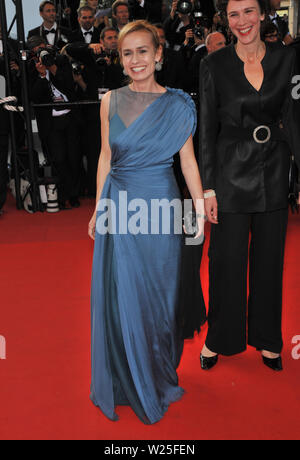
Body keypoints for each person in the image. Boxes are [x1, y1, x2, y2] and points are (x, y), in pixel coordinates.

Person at [88, 20, 205, 424]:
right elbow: (106, 156)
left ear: (158, 54)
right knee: (124, 297)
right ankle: (126, 379)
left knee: (162, 297)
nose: (135, 60)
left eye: (143, 51)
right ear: (119, 60)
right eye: (127, 53)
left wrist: (198, 208)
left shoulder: (177, 105)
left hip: (160, 209)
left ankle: (157, 371)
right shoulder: (110, 101)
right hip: (120, 207)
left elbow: (187, 160)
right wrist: (98, 207)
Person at [199, 0, 300, 372]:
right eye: (234, 14)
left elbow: (294, 119)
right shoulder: (213, 64)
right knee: (225, 261)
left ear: (262, 14)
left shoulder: (286, 58)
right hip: (229, 175)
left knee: (270, 261)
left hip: (274, 169)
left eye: (249, 11)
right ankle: (218, 338)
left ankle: (268, 340)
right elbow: (207, 129)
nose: (243, 21)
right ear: (226, 20)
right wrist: (208, 187)